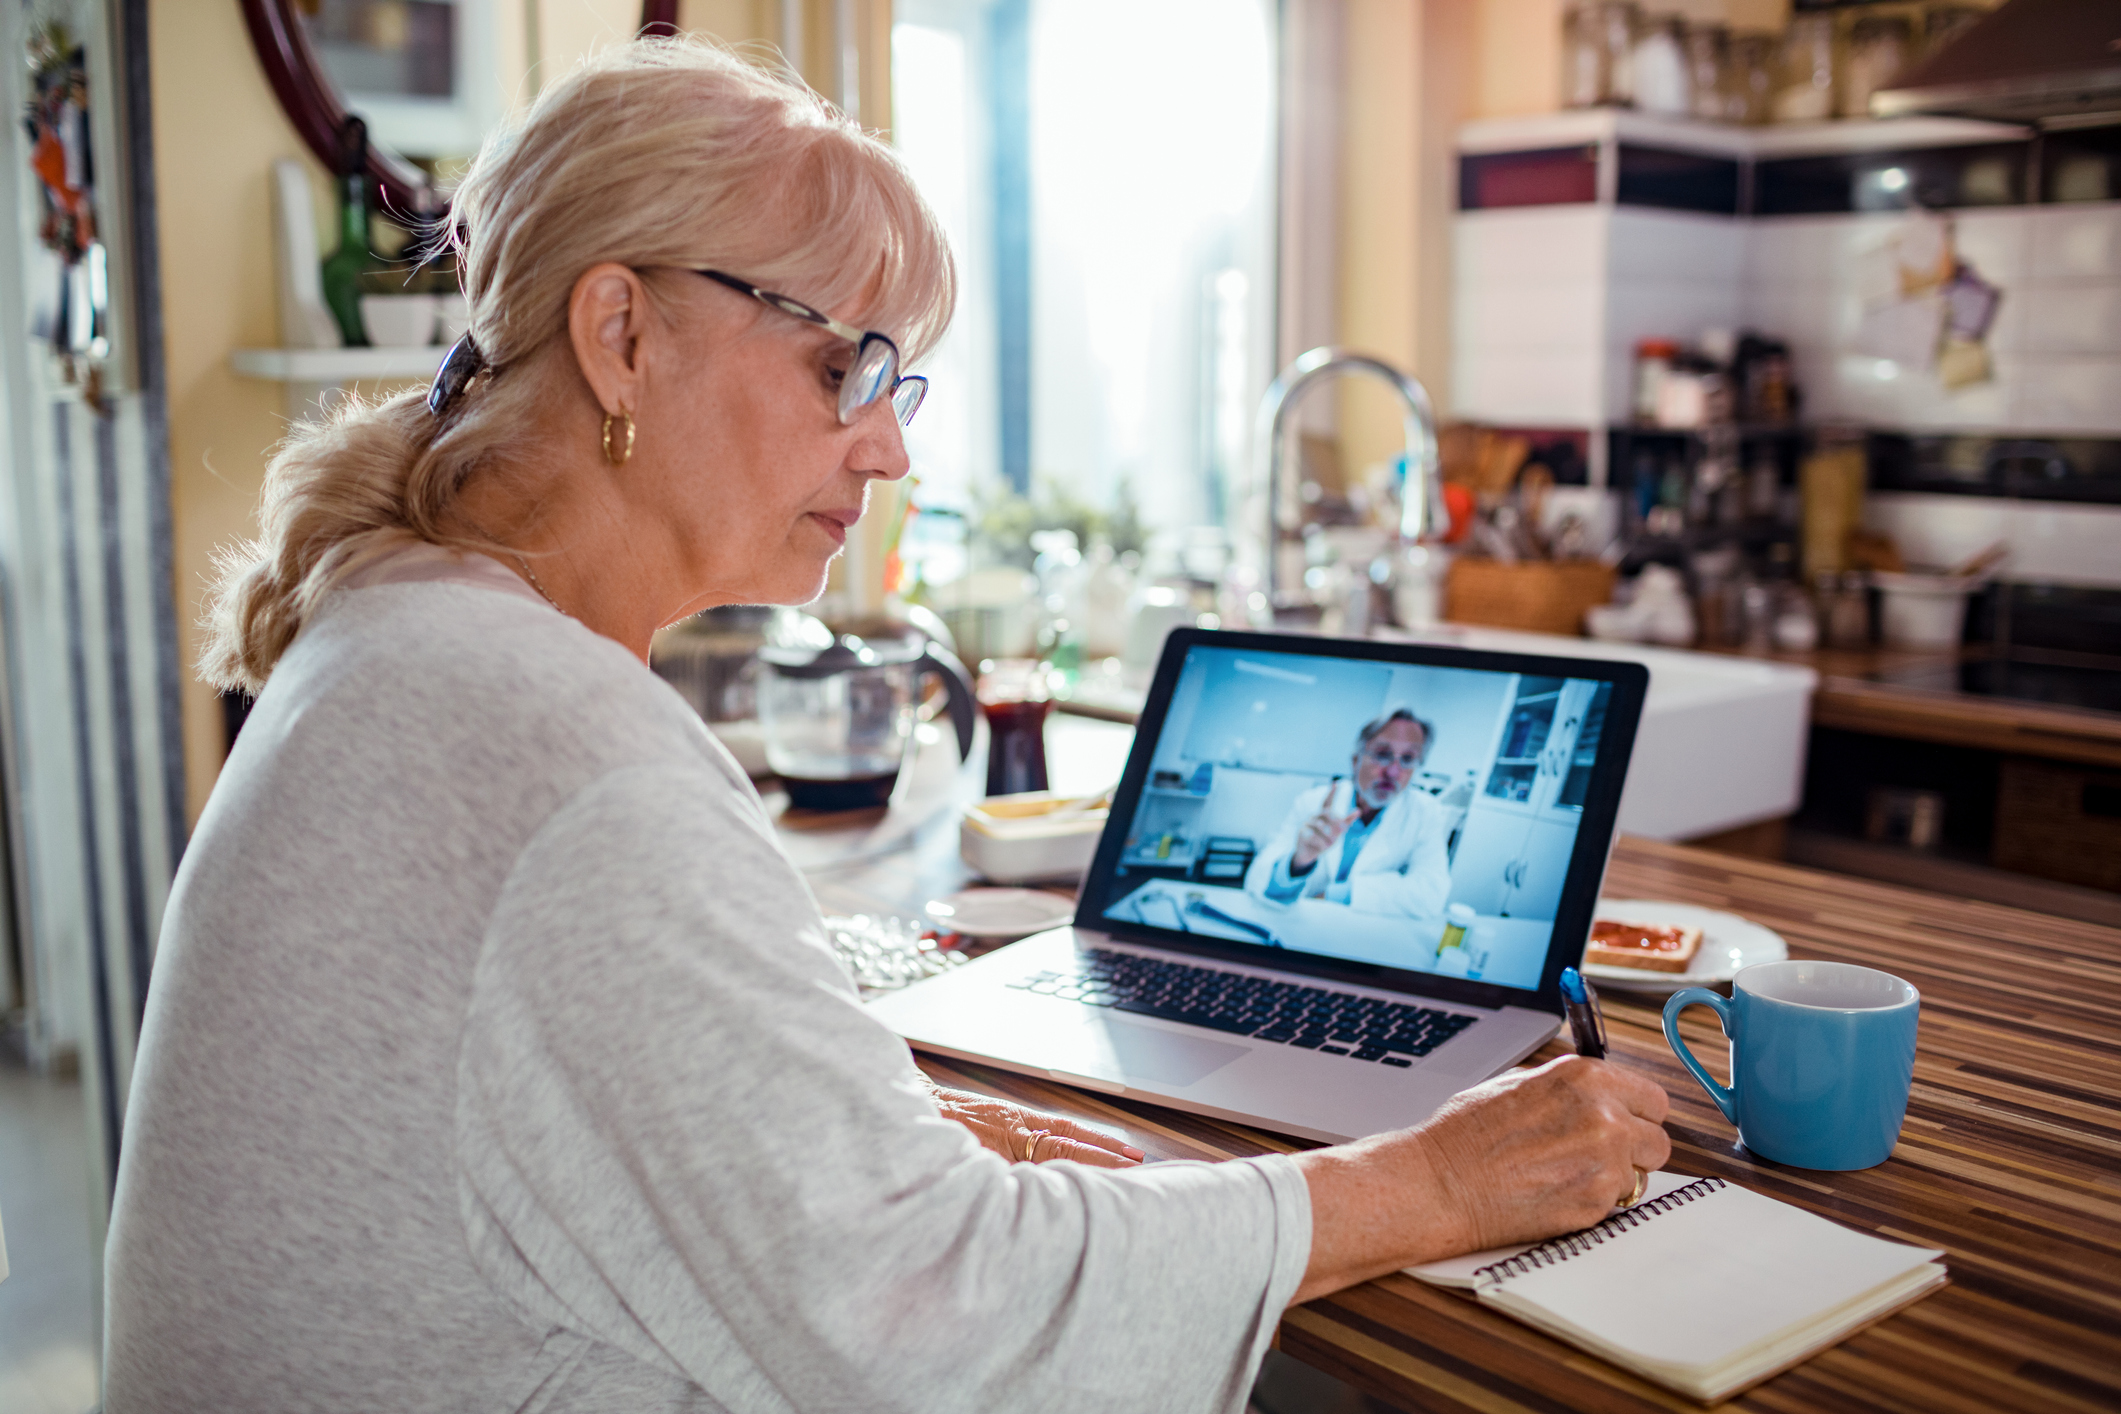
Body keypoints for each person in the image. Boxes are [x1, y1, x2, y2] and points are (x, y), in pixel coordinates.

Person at [102, 39, 1668, 1413]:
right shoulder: (564, 753)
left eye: (896, 382)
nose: (886, 450)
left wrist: (868, 1122)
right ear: (621, 334)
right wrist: (1433, 1177)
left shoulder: (403, 628)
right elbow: (947, 1330)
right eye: (844, 362)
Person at [1244, 709, 1452, 917]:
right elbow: (1258, 880)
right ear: (1355, 761)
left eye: (1408, 759)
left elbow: (1431, 894)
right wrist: (1299, 862)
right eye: (1382, 754)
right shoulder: (1312, 802)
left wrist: (1338, 895)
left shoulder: (1426, 813)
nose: (1393, 772)